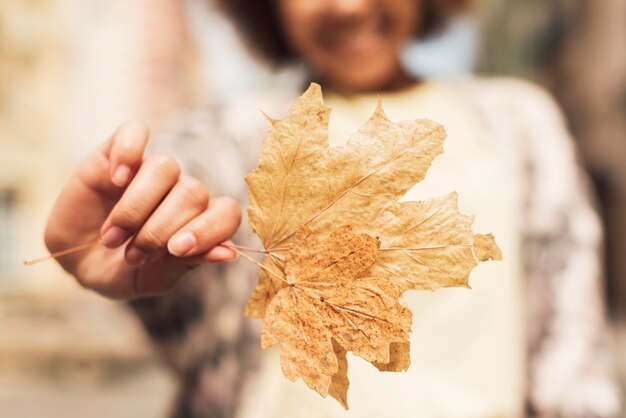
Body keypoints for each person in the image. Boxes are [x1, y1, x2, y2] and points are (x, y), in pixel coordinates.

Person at [44, 0, 621, 417]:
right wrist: (145, 224)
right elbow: (196, 186)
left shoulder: (519, 124)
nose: (348, 6)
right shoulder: (239, 132)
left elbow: (576, 363)